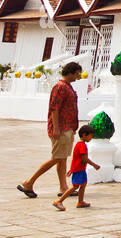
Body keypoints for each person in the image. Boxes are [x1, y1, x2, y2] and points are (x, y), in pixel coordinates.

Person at [17, 62, 82, 199]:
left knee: (62, 159)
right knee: (57, 158)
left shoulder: (67, 87)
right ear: (70, 72)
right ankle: (29, 182)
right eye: (76, 74)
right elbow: (55, 108)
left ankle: (63, 187)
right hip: (61, 128)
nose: (78, 77)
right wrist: (56, 128)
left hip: (67, 127)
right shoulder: (60, 87)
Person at [53, 124, 100, 210]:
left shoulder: (80, 144)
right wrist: (94, 165)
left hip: (81, 169)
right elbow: (84, 158)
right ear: (84, 135)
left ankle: (80, 201)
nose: (91, 138)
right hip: (79, 170)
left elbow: (76, 158)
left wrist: (71, 169)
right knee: (75, 187)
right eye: (90, 136)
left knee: (83, 184)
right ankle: (59, 201)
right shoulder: (82, 145)